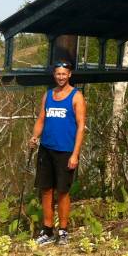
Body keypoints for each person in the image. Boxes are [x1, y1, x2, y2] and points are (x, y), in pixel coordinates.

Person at [29, 60, 86, 246]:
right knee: (46, 190)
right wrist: (34, 137)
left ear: (69, 74)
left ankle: (63, 231)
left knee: (62, 191)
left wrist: (75, 154)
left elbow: (80, 127)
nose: (61, 77)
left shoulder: (76, 97)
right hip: (46, 149)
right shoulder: (48, 95)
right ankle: (47, 231)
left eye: (64, 73)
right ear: (54, 75)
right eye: (58, 74)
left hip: (65, 151)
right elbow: (41, 119)